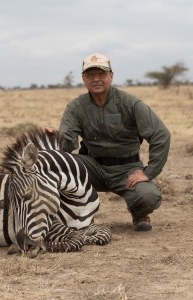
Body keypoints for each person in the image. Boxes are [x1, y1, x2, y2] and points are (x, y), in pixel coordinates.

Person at [56, 52, 171, 231]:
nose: (96, 79)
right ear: (83, 79)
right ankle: (73, 216)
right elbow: (66, 144)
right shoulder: (75, 107)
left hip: (127, 169)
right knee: (56, 171)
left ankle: (139, 212)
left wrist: (148, 173)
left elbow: (161, 135)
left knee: (148, 196)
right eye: (90, 75)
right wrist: (52, 138)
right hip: (91, 167)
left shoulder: (130, 103)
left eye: (101, 74)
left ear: (111, 75)